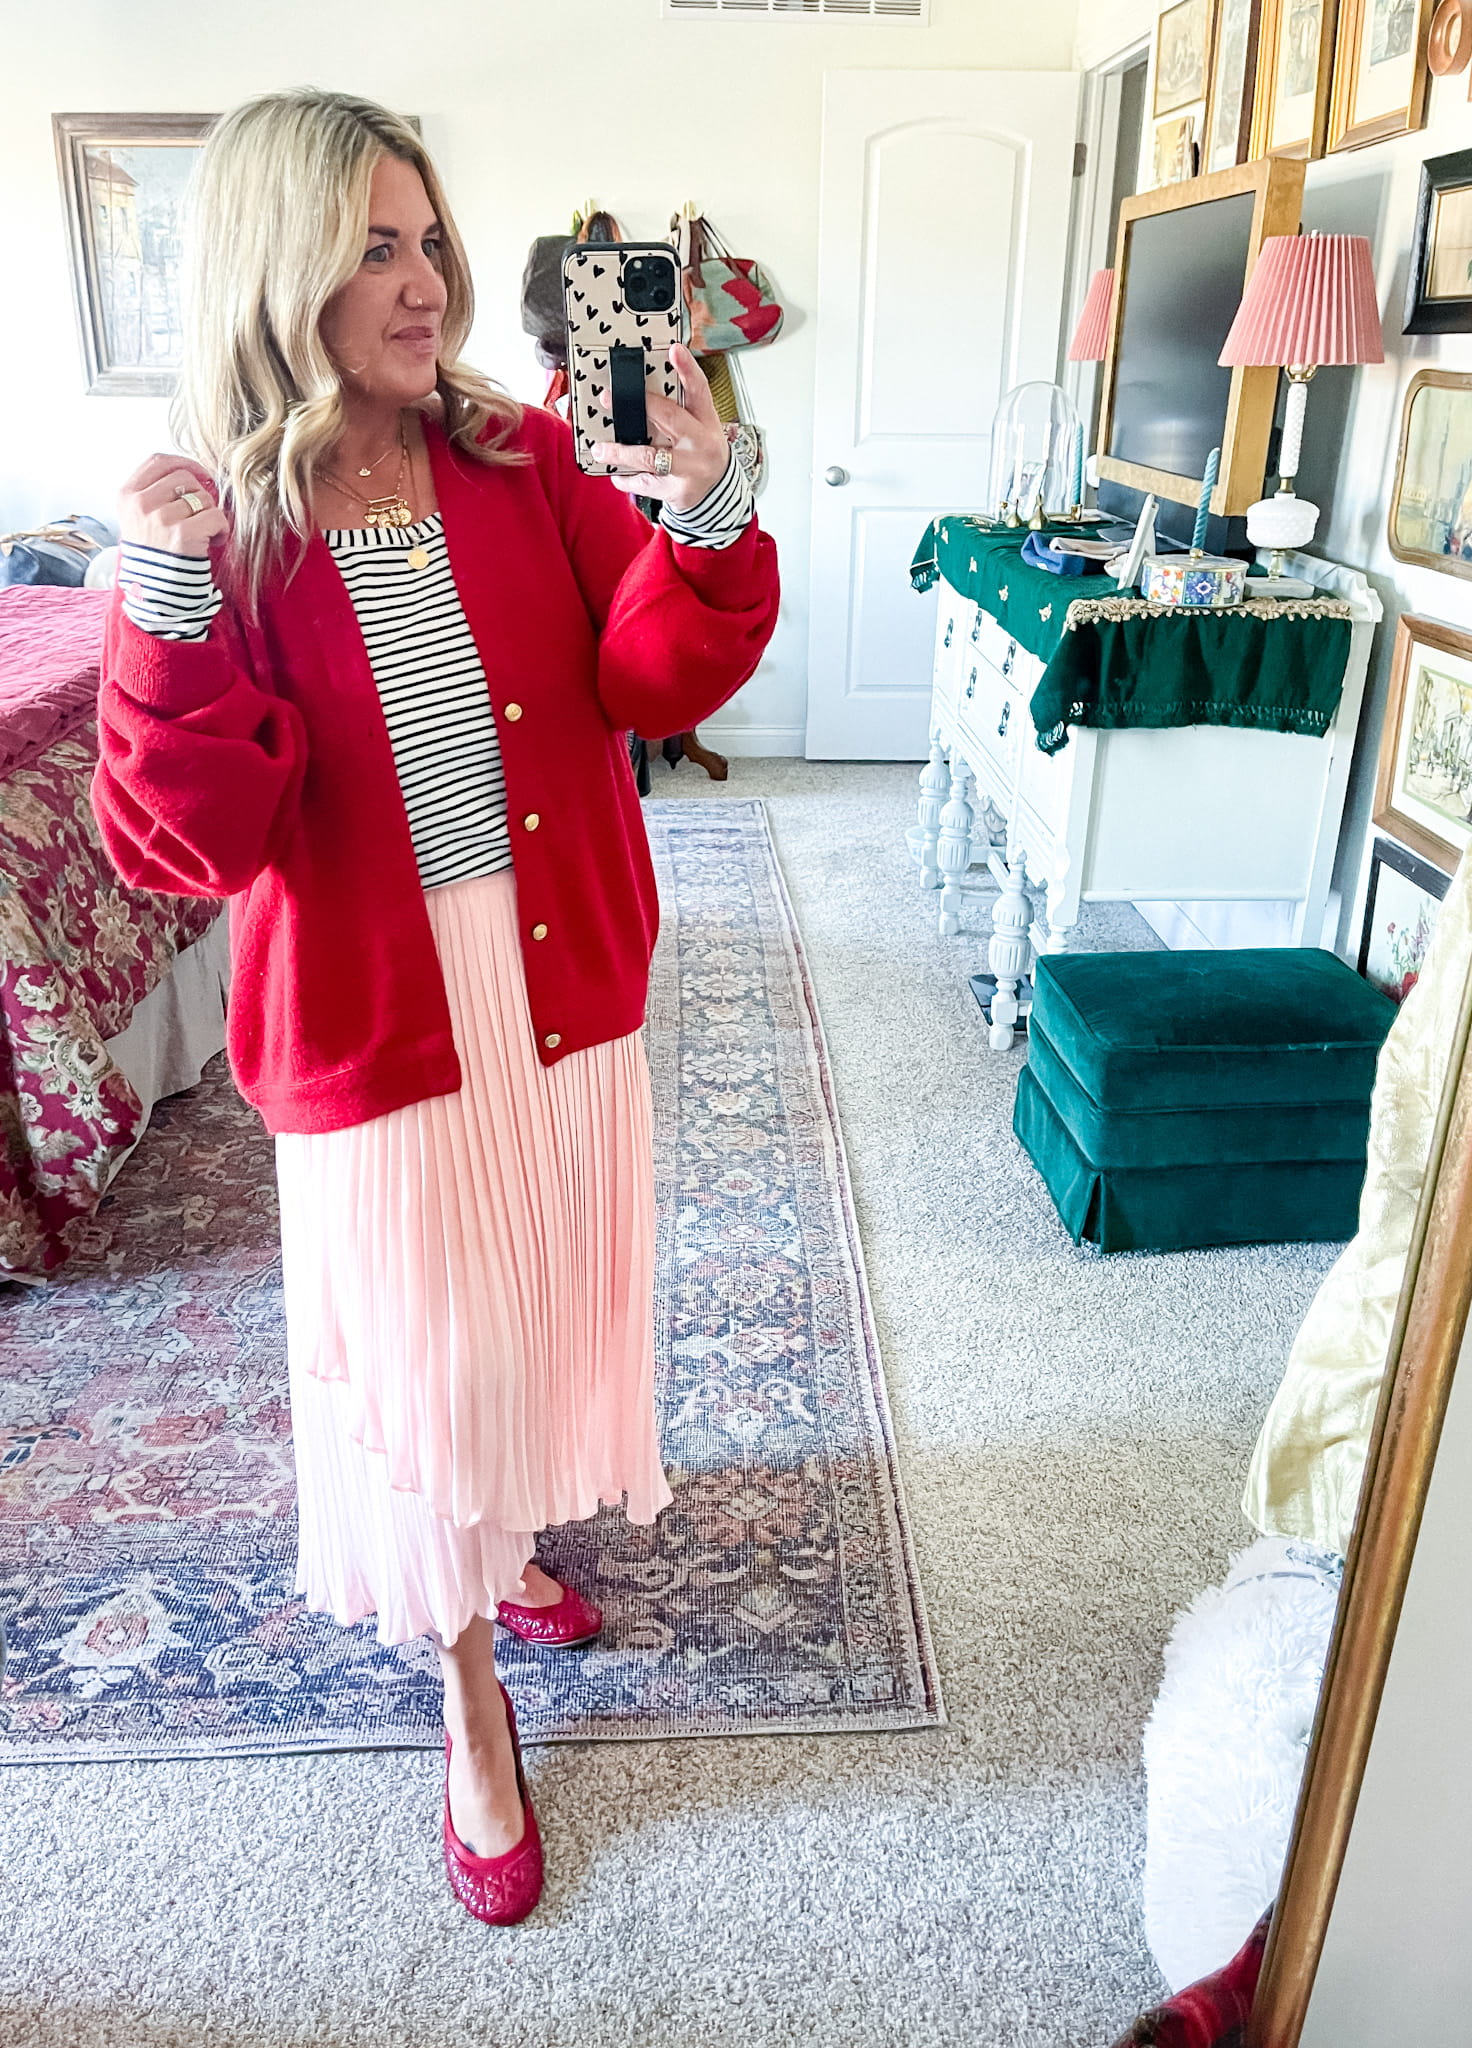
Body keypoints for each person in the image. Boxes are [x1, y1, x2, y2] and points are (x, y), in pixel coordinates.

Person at [94, 88, 778, 1926]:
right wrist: (160, 603)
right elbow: (191, 840)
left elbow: (647, 669)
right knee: (424, 1357)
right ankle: (468, 1689)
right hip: (376, 1003)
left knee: (545, 1290)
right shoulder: (223, 521)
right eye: (374, 245)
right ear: (280, 264)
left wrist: (703, 501)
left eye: (430, 239)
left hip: (555, 966)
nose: (425, 281)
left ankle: (510, 1529)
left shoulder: (515, 451)